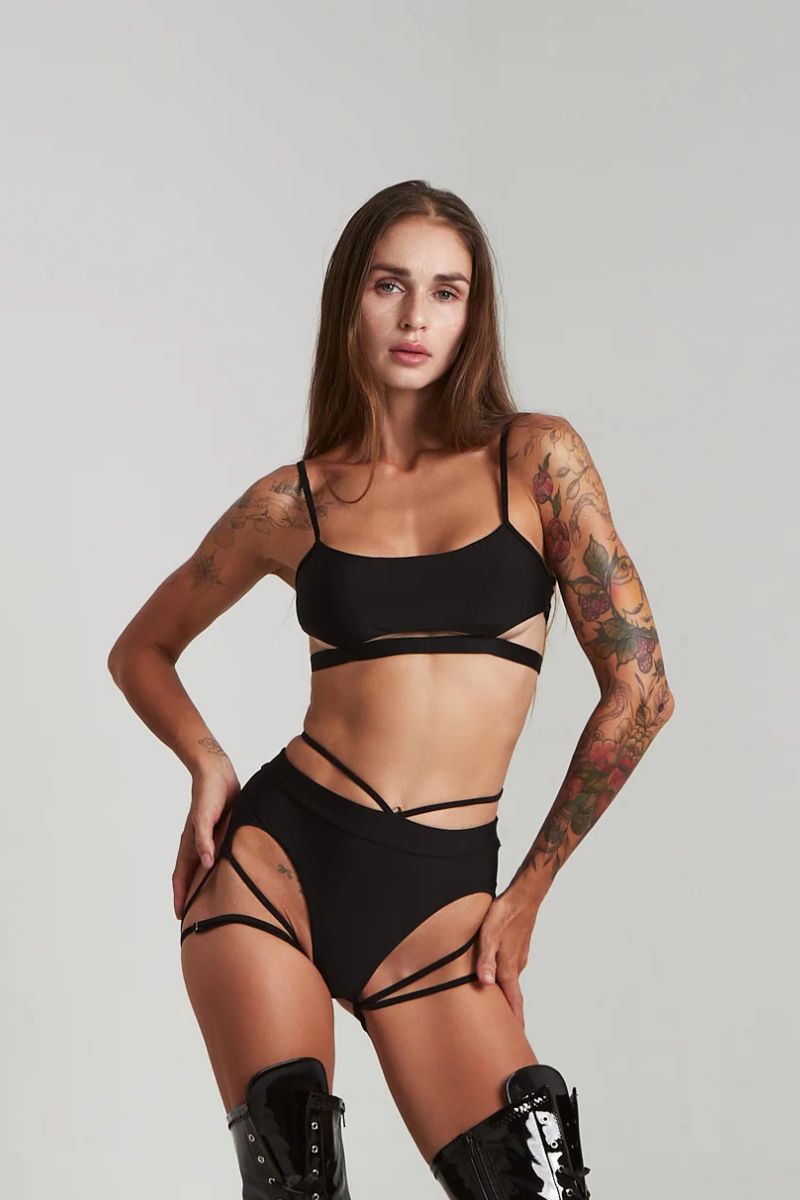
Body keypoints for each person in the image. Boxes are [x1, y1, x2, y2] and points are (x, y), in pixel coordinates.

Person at [108, 180, 675, 1200]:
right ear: (351, 301)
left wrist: (527, 894)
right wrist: (207, 764)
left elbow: (640, 694)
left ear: (472, 313)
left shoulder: (536, 460)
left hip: (439, 906)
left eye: (446, 292)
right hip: (272, 872)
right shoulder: (292, 503)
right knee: (297, 1187)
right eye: (390, 285)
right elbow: (141, 649)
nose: (416, 317)